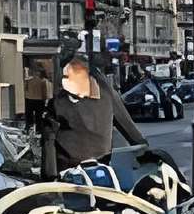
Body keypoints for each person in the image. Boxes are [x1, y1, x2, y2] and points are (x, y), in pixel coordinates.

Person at [50, 52, 145, 184]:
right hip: (101, 166)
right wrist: (145, 153)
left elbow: (49, 139)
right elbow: (128, 128)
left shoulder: (58, 103)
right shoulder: (107, 94)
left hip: (70, 171)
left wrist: (50, 177)